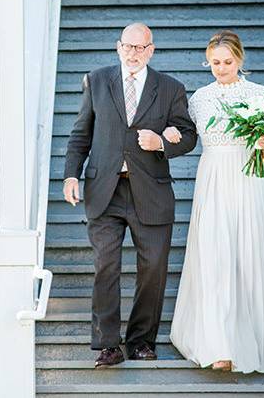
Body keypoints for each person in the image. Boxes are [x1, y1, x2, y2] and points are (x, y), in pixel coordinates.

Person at [63, 22, 197, 368]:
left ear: (151, 50)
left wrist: (162, 143)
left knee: (152, 267)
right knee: (105, 265)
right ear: (117, 47)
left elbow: (188, 134)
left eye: (140, 48)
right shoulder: (96, 81)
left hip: (150, 191)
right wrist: (70, 176)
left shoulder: (170, 88)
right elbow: (81, 134)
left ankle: (141, 341)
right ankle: (108, 344)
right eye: (127, 46)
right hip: (104, 190)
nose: (133, 53)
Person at [168, 30, 264, 373]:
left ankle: (252, 337)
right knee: (215, 255)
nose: (221, 68)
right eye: (215, 63)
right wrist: (172, 135)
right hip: (213, 178)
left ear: (240, 60)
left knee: (247, 253)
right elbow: (186, 133)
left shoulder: (257, 94)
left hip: (248, 180)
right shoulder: (200, 98)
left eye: (227, 62)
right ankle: (219, 344)